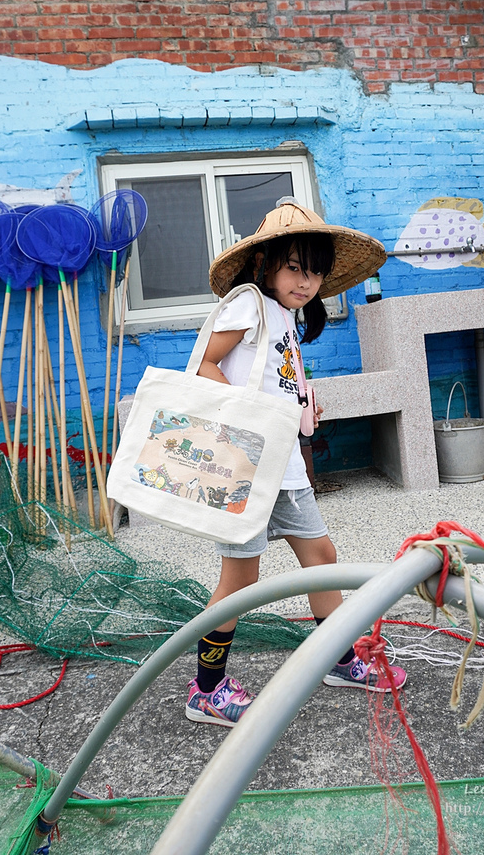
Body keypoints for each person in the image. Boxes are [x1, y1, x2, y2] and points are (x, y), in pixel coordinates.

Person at [185, 197, 407, 727]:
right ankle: (207, 688)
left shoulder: (284, 317)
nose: (306, 282)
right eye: (295, 268)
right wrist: (255, 412)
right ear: (267, 265)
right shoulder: (247, 304)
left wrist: (301, 402)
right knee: (241, 577)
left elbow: (267, 377)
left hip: (283, 465)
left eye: (316, 273)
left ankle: (339, 658)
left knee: (321, 553)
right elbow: (204, 365)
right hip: (245, 464)